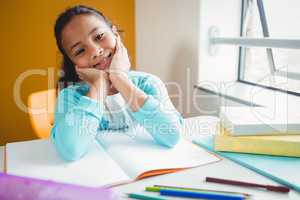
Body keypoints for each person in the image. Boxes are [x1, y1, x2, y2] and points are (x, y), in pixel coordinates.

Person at [51, 5, 182, 161]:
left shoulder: (148, 83)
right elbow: (70, 151)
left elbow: (172, 135)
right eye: (80, 51)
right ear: (72, 62)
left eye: (99, 36)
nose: (95, 51)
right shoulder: (69, 97)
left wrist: (120, 79)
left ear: (115, 34)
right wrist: (99, 85)